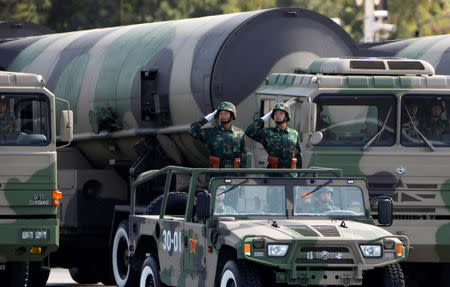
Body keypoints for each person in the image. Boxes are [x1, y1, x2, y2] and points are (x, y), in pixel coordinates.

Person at [189, 102, 247, 168]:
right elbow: (192, 130)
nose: (223, 116)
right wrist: (206, 119)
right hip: (216, 173)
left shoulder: (239, 133)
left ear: (232, 115)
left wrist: (243, 173)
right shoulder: (211, 132)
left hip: (234, 174)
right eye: (220, 113)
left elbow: (244, 155)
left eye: (225, 113)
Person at [245, 102, 301, 169]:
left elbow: (298, 155)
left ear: (286, 116)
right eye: (275, 113)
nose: (277, 115)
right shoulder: (267, 132)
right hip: (273, 173)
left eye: (281, 113)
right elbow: (249, 131)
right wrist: (265, 118)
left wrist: (298, 174)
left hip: (290, 175)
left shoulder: (294, 133)